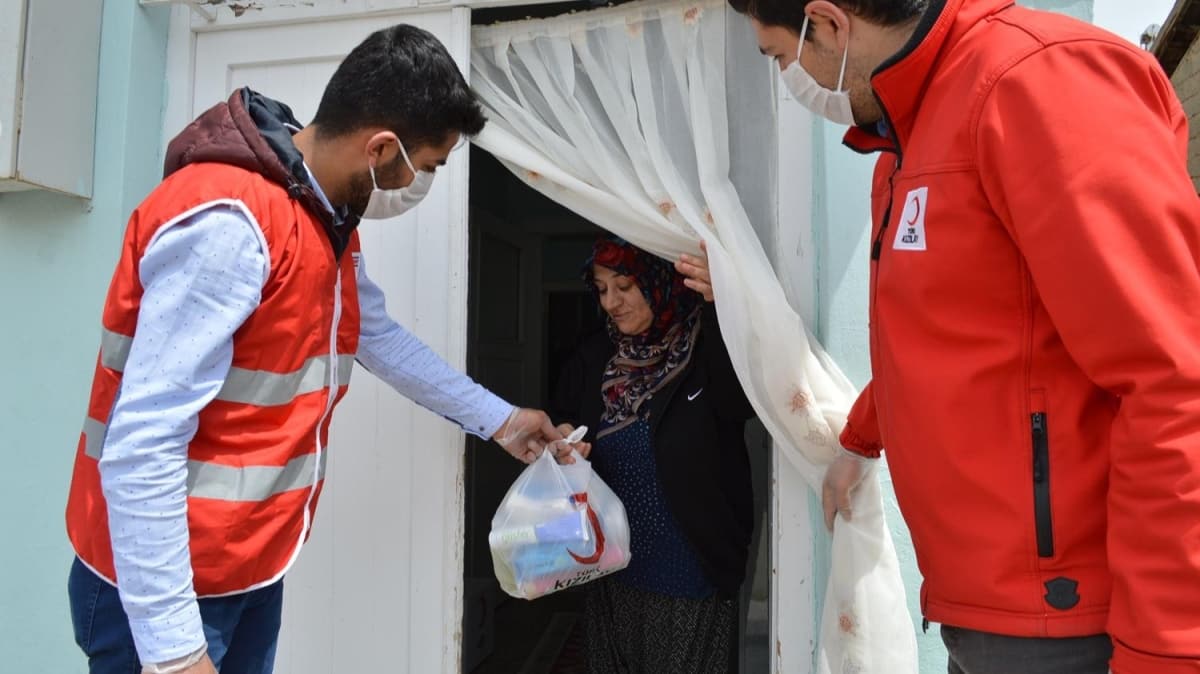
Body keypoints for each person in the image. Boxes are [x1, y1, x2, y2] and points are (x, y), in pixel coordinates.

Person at [64, 25, 586, 674]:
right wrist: (175, 653)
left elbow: (379, 338)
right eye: (426, 168)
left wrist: (502, 421)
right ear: (382, 147)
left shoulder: (322, 221)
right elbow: (142, 442)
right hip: (160, 589)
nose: (420, 184)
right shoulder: (230, 225)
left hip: (245, 569)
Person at [713, 0, 1200, 672]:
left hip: (1070, 621)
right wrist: (862, 436)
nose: (788, 79)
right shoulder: (906, 138)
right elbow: (951, 325)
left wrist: (1168, 648)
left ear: (827, 23)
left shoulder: (1037, 83)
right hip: (986, 606)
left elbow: (1173, 375)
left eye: (780, 57)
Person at [551, 238, 756, 674]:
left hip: (688, 568)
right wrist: (566, 438)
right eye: (603, 289)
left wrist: (724, 306)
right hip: (611, 568)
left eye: (624, 285)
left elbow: (740, 405)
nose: (612, 302)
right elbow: (565, 418)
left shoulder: (705, 345)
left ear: (657, 282)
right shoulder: (596, 357)